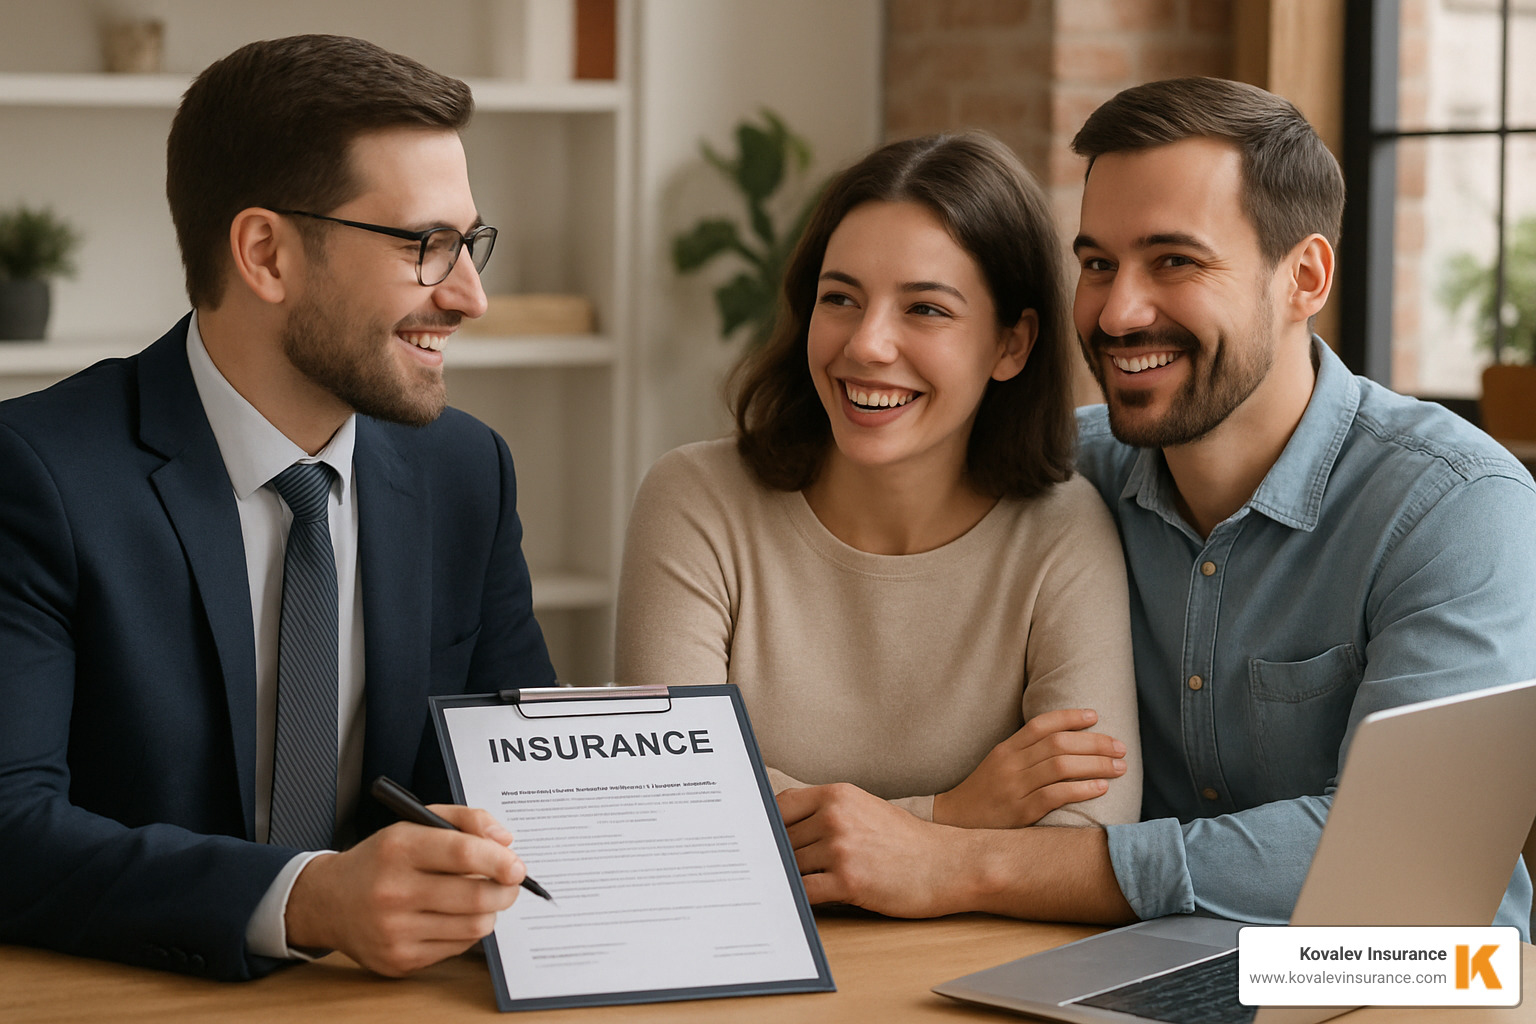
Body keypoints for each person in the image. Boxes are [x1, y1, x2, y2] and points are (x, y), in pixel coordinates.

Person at [739, 78, 1536, 937]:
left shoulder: (1456, 507)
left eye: (1174, 262)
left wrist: (958, 859)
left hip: (1408, 972)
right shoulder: (1060, 477)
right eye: (1096, 265)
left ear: (1303, 277)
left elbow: (1400, 855)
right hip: (1119, 962)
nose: (1117, 313)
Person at [0, 35, 557, 981]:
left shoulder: (468, 471)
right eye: (426, 246)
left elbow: (521, 780)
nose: (471, 296)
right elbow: (10, 831)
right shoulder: (37, 475)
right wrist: (306, 899)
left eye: (469, 244)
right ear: (266, 254)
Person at [616, 131, 1142, 845]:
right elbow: (674, 798)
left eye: (925, 309)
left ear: (1011, 344)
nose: (866, 344)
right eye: (840, 298)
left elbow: (1084, 833)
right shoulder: (696, 501)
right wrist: (952, 813)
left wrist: (853, 835)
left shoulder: (1063, 529)